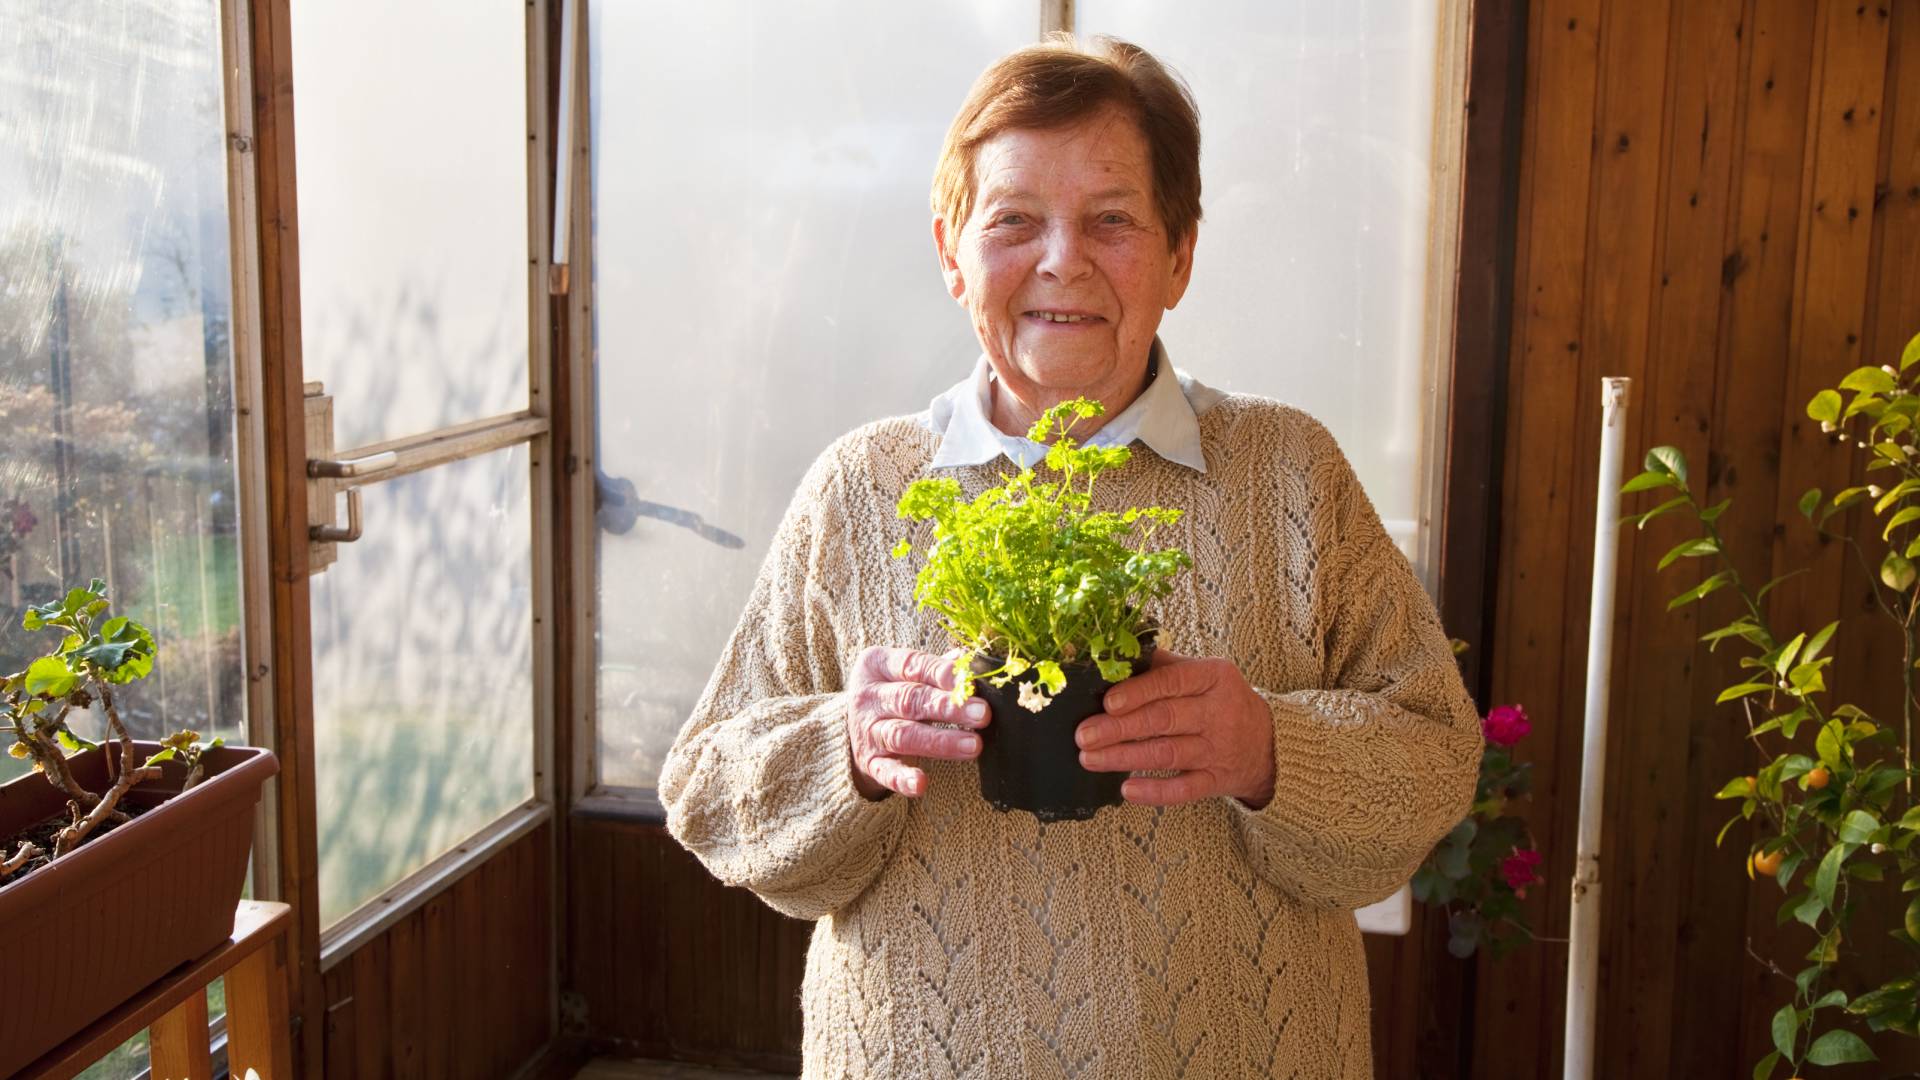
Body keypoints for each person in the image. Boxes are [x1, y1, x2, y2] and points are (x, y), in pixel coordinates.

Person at [660, 35, 1482, 1079]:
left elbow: (1436, 756)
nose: (1062, 261)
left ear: (1180, 255)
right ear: (951, 251)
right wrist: (849, 749)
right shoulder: (860, 490)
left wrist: (1271, 749)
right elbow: (707, 792)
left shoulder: (1289, 472)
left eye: (1111, 220)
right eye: (1013, 221)